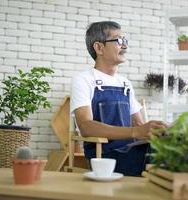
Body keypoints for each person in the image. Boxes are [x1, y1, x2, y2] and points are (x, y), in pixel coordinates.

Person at [70, 21, 166, 176]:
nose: (125, 46)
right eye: (119, 40)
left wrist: (160, 131)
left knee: (170, 146)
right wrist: (136, 131)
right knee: (164, 159)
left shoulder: (125, 83)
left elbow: (140, 126)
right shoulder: (83, 80)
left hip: (129, 151)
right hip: (104, 156)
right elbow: (86, 127)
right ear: (99, 47)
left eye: (125, 41)